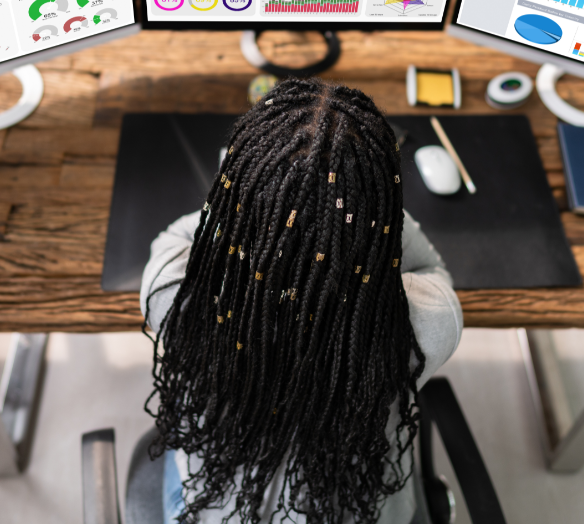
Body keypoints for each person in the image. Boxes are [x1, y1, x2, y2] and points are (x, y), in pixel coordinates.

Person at [141, 79, 462, 524]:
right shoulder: (425, 322)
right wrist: (373, 224)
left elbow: (179, 236)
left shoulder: (172, 292)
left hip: (214, 504)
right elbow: (432, 270)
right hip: (361, 506)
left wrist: (248, 200)